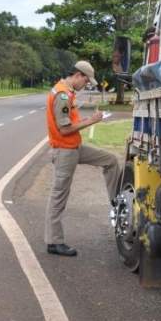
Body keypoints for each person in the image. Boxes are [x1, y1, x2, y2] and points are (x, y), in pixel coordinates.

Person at [44, 60, 120, 257]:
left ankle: (115, 202)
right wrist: (91, 121)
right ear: (77, 75)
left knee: (110, 160)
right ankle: (54, 242)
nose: (85, 85)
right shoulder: (61, 94)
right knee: (59, 195)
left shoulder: (68, 92)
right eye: (85, 82)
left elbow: (72, 117)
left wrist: (88, 114)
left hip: (74, 147)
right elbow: (65, 128)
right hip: (64, 151)